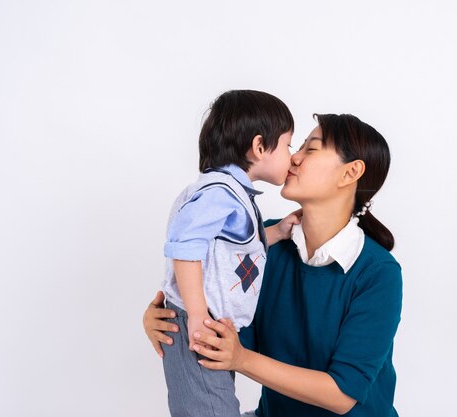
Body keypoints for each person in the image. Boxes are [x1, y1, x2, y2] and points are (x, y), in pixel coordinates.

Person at [145, 113, 403, 417]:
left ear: (350, 173)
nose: (294, 158)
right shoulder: (263, 244)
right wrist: (169, 321)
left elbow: (342, 394)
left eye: (311, 148)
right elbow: (226, 330)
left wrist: (241, 359)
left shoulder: (377, 273)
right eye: (298, 146)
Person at [160, 90, 302, 417]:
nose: (292, 156)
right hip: (199, 324)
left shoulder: (229, 193)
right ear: (259, 147)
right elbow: (185, 245)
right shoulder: (219, 193)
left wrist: (276, 233)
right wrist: (196, 313)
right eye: (288, 145)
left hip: (210, 325)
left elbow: (225, 251)